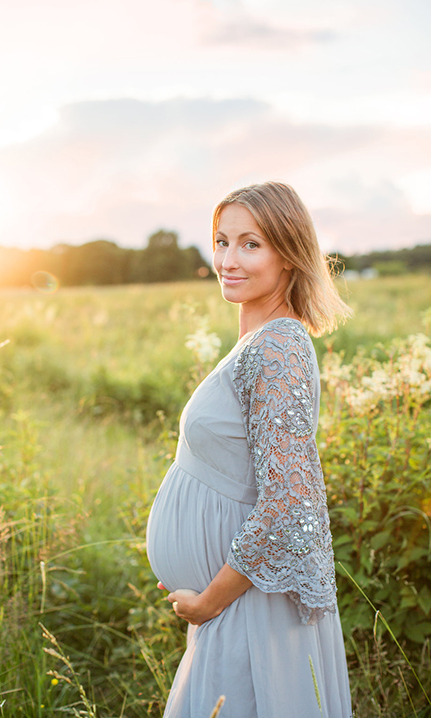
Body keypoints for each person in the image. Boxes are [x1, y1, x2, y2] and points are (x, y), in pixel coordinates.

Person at [145, 181, 353, 717]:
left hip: (247, 605)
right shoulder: (257, 344)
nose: (227, 260)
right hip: (233, 604)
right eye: (221, 241)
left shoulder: (279, 347)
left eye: (250, 244)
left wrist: (208, 600)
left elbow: (290, 504)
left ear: (289, 253)